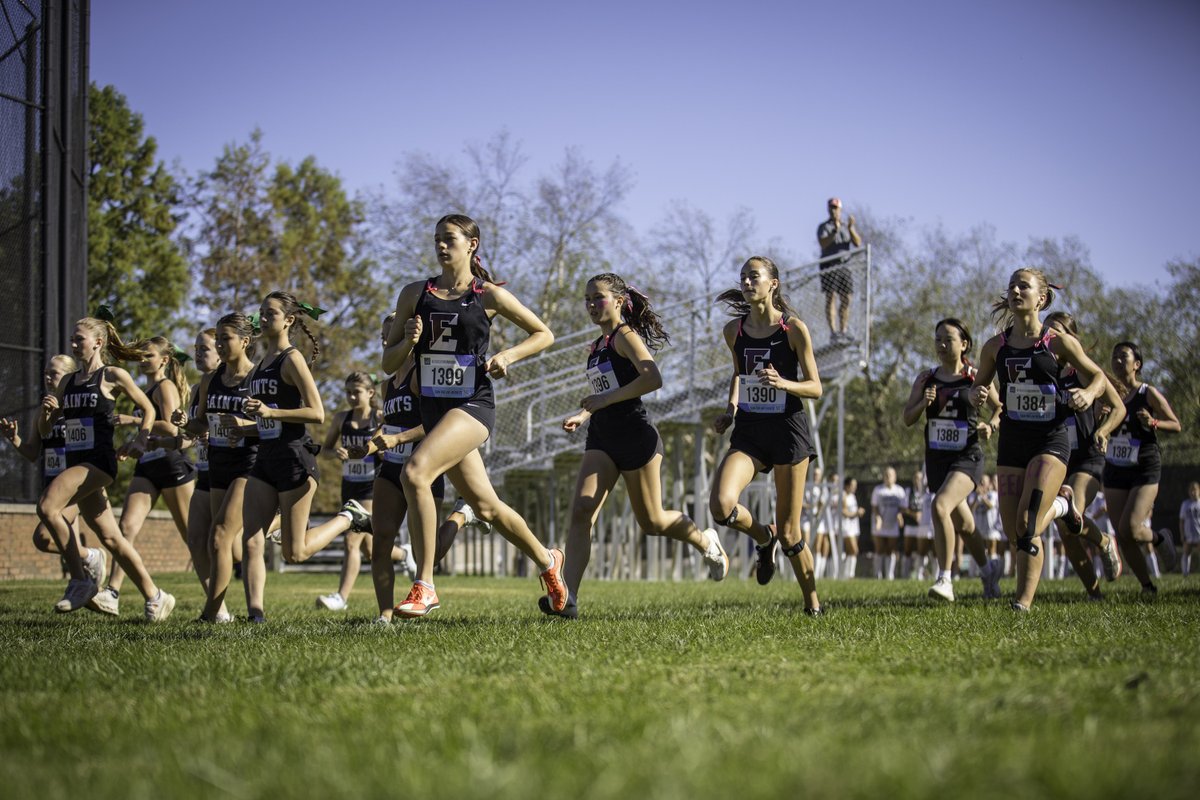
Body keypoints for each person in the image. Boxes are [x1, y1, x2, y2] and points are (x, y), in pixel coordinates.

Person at [381, 213, 566, 618]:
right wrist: (408, 342)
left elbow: (543, 333)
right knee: (486, 507)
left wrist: (507, 355)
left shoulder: (487, 296)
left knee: (414, 473)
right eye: (436, 240)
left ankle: (424, 584)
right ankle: (549, 560)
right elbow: (387, 361)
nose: (441, 246)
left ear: (472, 245)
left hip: (473, 406)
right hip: (435, 411)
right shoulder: (413, 294)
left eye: (449, 239)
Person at [549, 273, 728, 618]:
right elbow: (605, 394)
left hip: (636, 437)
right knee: (581, 511)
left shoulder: (624, 336)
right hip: (601, 437)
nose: (590, 304)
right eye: (586, 298)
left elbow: (652, 377)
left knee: (653, 522)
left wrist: (604, 401)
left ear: (618, 301)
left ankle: (706, 542)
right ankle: (568, 600)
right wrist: (583, 414)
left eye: (597, 297)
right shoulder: (597, 346)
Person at [969, 268, 1108, 611]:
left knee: (1028, 522)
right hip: (1013, 442)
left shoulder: (1058, 343)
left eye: (1024, 286)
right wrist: (978, 394)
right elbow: (978, 388)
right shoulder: (994, 347)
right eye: (1012, 286)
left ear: (1041, 299)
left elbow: (1099, 377)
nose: (1016, 291)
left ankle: (1022, 604)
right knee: (1014, 532)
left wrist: (1089, 395)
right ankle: (1063, 506)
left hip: (1051, 439)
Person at [36, 312, 175, 621]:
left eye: (79, 339)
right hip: (75, 464)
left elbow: (149, 409)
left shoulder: (111, 376)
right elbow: (46, 431)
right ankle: (156, 595)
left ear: (97, 343)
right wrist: (45, 413)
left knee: (47, 507)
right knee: (112, 538)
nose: (73, 343)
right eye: (72, 339)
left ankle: (80, 579)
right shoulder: (70, 382)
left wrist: (141, 438)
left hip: (98, 462)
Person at [708, 256, 823, 615]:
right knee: (720, 505)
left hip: (788, 431)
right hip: (751, 430)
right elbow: (740, 375)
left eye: (753, 276)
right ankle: (762, 536)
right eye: (742, 276)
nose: (746, 282)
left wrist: (783, 383)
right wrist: (731, 410)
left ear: (773, 283)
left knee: (791, 534)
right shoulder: (734, 331)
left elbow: (815, 387)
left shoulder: (793, 330)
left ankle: (812, 604)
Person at [239, 291, 339, 623]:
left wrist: (270, 410)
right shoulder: (260, 364)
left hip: (295, 458)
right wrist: (243, 425)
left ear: (289, 320)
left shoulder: (291, 359)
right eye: (261, 313)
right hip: (265, 457)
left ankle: (346, 519)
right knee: (251, 538)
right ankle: (256, 614)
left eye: (270, 314)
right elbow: (265, 419)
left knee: (294, 553)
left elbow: (317, 412)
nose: (263, 319)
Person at [91, 336, 198, 616]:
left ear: (163, 360)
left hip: (172, 466)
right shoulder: (145, 388)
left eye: (148, 356)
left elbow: (174, 431)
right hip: (147, 467)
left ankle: (216, 602)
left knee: (193, 537)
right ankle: (112, 593)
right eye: (140, 355)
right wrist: (131, 445)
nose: (142, 360)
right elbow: (149, 434)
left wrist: (133, 421)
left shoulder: (165, 387)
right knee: (126, 528)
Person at [901, 318, 1004, 601]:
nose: (942, 345)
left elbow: (1000, 408)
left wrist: (991, 426)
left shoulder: (975, 376)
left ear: (964, 344)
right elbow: (908, 418)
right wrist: (924, 403)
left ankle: (945, 578)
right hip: (936, 459)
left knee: (940, 506)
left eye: (948, 339)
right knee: (967, 526)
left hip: (966, 457)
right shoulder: (926, 378)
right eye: (938, 340)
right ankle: (988, 571)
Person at [178, 312, 260, 623]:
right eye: (219, 340)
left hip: (248, 464)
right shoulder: (210, 380)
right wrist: (186, 424)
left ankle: (210, 614)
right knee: (215, 539)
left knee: (221, 536)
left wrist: (245, 426)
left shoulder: (257, 378)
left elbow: (272, 423)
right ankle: (218, 612)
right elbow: (200, 424)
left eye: (225, 339)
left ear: (244, 341)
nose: (220, 345)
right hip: (216, 464)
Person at [1, 355, 107, 589]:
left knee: (43, 537)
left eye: (55, 374)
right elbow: (31, 452)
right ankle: (88, 569)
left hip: (75, 484)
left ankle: (89, 562)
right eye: (46, 373)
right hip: (52, 485)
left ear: (68, 377)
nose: (48, 378)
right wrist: (14, 439)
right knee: (55, 542)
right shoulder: (43, 410)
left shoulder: (77, 407)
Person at [1043, 312, 1125, 599]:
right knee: (1066, 530)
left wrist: (1103, 429)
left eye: (1055, 332)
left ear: (1071, 338)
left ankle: (1104, 541)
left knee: (1069, 514)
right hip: (1056, 458)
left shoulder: (1080, 371)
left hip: (1087, 459)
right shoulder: (1041, 370)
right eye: (1045, 332)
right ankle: (1094, 593)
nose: (1049, 338)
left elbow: (1118, 408)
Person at [1101, 341, 1181, 594]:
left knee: (1131, 529)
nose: (1117, 360)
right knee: (1122, 536)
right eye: (1114, 356)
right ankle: (1147, 586)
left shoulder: (1148, 393)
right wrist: (1100, 415)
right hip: (1115, 466)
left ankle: (1159, 538)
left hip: (1144, 465)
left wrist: (1153, 421)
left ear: (1137, 364)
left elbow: (1175, 424)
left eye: (1123, 356)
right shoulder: (1108, 393)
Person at [313, 371, 387, 611]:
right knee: (369, 547)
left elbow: (389, 449)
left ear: (370, 393)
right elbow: (324, 450)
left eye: (357, 392)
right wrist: (336, 453)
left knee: (351, 540)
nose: (352, 397)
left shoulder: (379, 418)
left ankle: (341, 598)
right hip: (350, 487)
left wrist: (377, 450)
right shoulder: (341, 419)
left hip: (372, 487)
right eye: (348, 392)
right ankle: (405, 556)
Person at [815, 197, 862, 342]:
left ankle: (843, 330)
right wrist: (834, 231)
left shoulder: (846, 226)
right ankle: (833, 331)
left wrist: (850, 228)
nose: (833, 210)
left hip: (844, 267)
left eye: (835, 208)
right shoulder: (824, 227)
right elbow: (823, 243)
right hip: (829, 266)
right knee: (831, 297)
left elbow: (858, 243)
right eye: (831, 207)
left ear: (840, 209)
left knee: (846, 298)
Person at [870, 467, 906, 580]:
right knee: (879, 549)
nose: (888, 477)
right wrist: (878, 517)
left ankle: (890, 575)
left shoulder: (899, 491)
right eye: (886, 475)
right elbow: (874, 506)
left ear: (895, 477)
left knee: (891, 549)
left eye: (890, 475)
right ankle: (877, 574)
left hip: (892, 524)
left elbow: (903, 507)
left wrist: (899, 514)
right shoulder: (878, 490)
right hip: (880, 524)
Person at [839, 476, 865, 578]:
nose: (854, 488)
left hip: (854, 527)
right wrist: (856, 513)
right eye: (852, 485)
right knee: (854, 550)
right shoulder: (843, 495)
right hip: (846, 527)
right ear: (847, 485)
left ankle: (848, 574)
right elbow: (844, 512)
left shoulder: (852, 496)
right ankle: (849, 574)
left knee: (851, 552)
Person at [1179, 481, 1200, 578]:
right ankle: (1185, 574)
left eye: (1195, 490)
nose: (1193, 492)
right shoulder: (1185, 504)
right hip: (1189, 534)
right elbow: (1182, 521)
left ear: (1198, 491)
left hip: (1199, 533)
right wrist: (1182, 534)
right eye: (1191, 490)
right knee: (1186, 552)